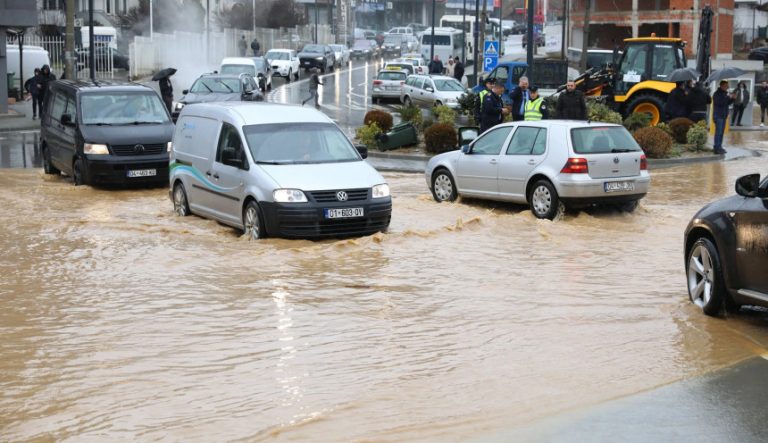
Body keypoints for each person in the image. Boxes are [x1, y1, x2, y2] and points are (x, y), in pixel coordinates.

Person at [712, 80, 734, 155]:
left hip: (724, 115)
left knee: (721, 133)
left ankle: (720, 146)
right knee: (718, 132)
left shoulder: (725, 94)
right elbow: (720, 103)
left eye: (728, 86)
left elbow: (727, 103)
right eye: (726, 86)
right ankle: (716, 148)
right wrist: (727, 97)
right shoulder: (717, 94)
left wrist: (732, 99)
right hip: (718, 116)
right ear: (722, 86)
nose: (727, 87)